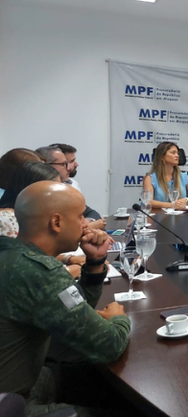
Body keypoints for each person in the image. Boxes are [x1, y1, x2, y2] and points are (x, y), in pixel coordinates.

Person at [0, 181, 130, 413]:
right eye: (81, 216)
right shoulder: (38, 273)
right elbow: (109, 345)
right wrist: (118, 319)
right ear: (56, 222)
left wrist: (94, 263)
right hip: (14, 402)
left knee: (99, 383)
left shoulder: (12, 255)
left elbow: (68, 314)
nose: (86, 223)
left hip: (22, 382)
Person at [0, 161, 86, 277]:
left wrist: (68, 259)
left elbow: (36, 252)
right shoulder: (6, 219)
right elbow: (30, 266)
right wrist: (82, 267)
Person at [36, 145, 104, 226]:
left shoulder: (68, 185)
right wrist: (89, 227)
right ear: (45, 166)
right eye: (63, 164)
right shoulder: (40, 196)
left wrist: (88, 222)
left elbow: (89, 212)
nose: (68, 168)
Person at [143, 142, 188, 209]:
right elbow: (148, 201)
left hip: (181, 216)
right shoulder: (150, 178)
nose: (177, 155)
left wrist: (186, 200)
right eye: (173, 153)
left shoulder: (184, 177)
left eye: (177, 153)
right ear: (162, 157)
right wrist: (172, 205)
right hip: (159, 216)